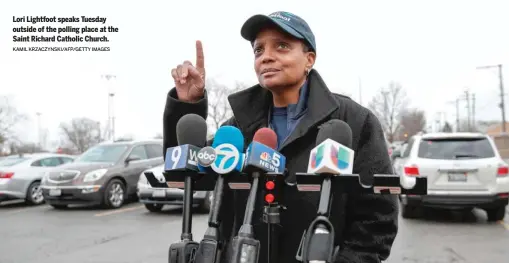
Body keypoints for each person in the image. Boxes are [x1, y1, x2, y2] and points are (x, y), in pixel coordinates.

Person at [164, 11, 398, 263]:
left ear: (309, 59)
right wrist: (187, 105)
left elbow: (377, 219)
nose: (266, 57)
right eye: (258, 50)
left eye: (282, 46)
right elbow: (185, 176)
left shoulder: (354, 122)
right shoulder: (236, 129)